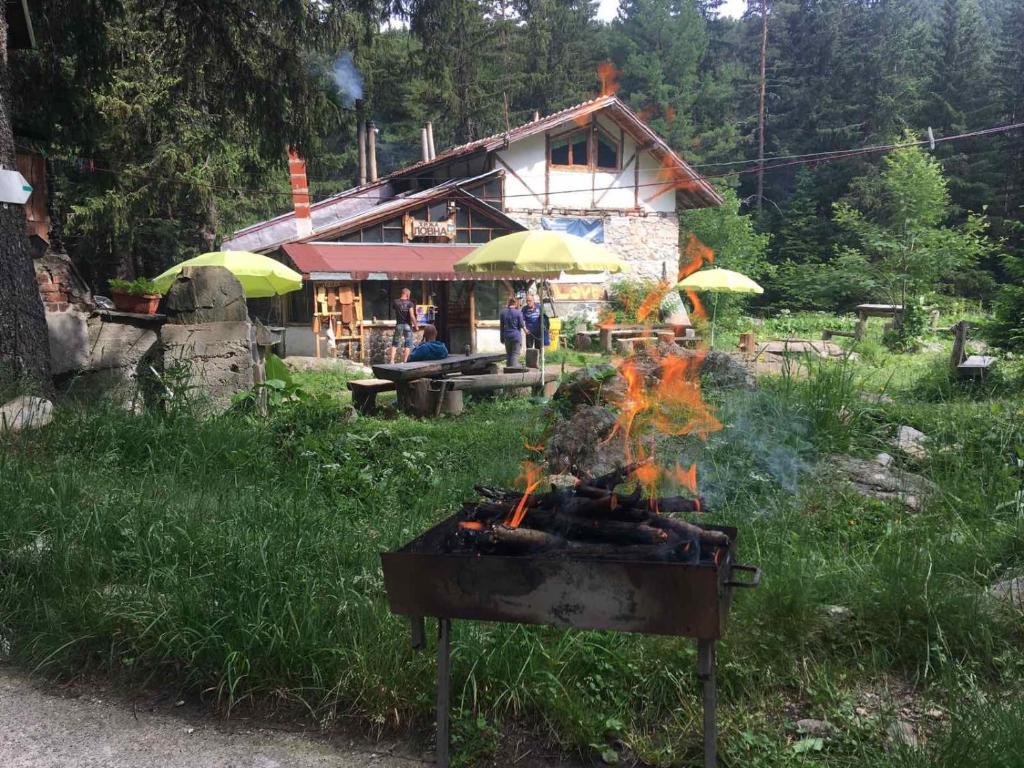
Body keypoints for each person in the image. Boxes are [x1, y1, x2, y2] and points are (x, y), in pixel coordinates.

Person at [388, 287, 418, 363]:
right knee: (408, 344)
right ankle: (405, 361)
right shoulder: (410, 303)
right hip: (408, 325)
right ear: (407, 294)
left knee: (395, 343)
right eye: (409, 295)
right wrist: (416, 326)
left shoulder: (395, 302)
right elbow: (412, 316)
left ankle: (392, 361)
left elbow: (395, 310)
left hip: (399, 325)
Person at [499, 296, 526, 368]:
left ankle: (508, 368)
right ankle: (514, 369)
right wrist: (526, 331)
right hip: (516, 336)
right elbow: (521, 325)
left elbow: (501, 327)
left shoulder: (503, 313)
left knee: (509, 353)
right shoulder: (518, 313)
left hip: (507, 336)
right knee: (515, 353)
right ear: (516, 303)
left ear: (508, 303)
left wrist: (501, 338)